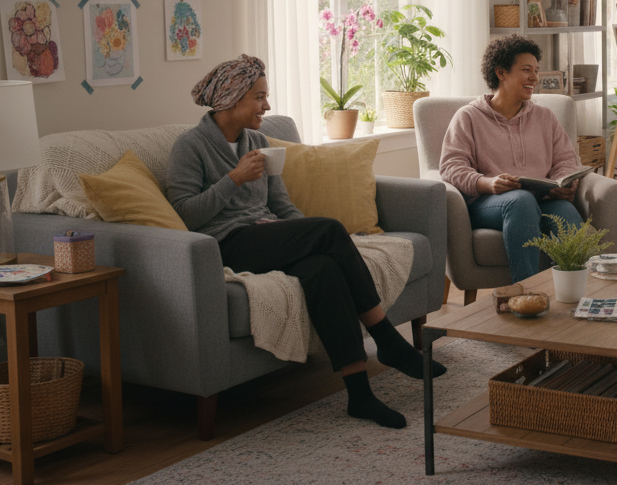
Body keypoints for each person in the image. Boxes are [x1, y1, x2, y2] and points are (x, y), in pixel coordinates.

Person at [166, 55, 444, 430]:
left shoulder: (258, 140)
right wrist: (233, 178)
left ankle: (359, 394)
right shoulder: (191, 147)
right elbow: (184, 215)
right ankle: (387, 340)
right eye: (259, 97)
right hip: (227, 243)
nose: (266, 106)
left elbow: (280, 205)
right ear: (231, 98)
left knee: (323, 266)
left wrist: (305, 238)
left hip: (268, 235)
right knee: (329, 230)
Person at [439, 35, 585, 282]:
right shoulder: (468, 117)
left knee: (566, 212)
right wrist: (488, 183)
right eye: (526, 70)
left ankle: (576, 294)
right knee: (520, 201)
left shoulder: (545, 117)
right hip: (489, 203)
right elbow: (451, 167)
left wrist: (563, 183)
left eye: (536, 71)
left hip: (541, 200)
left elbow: (566, 160)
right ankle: (527, 294)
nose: (535, 78)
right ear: (501, 72)